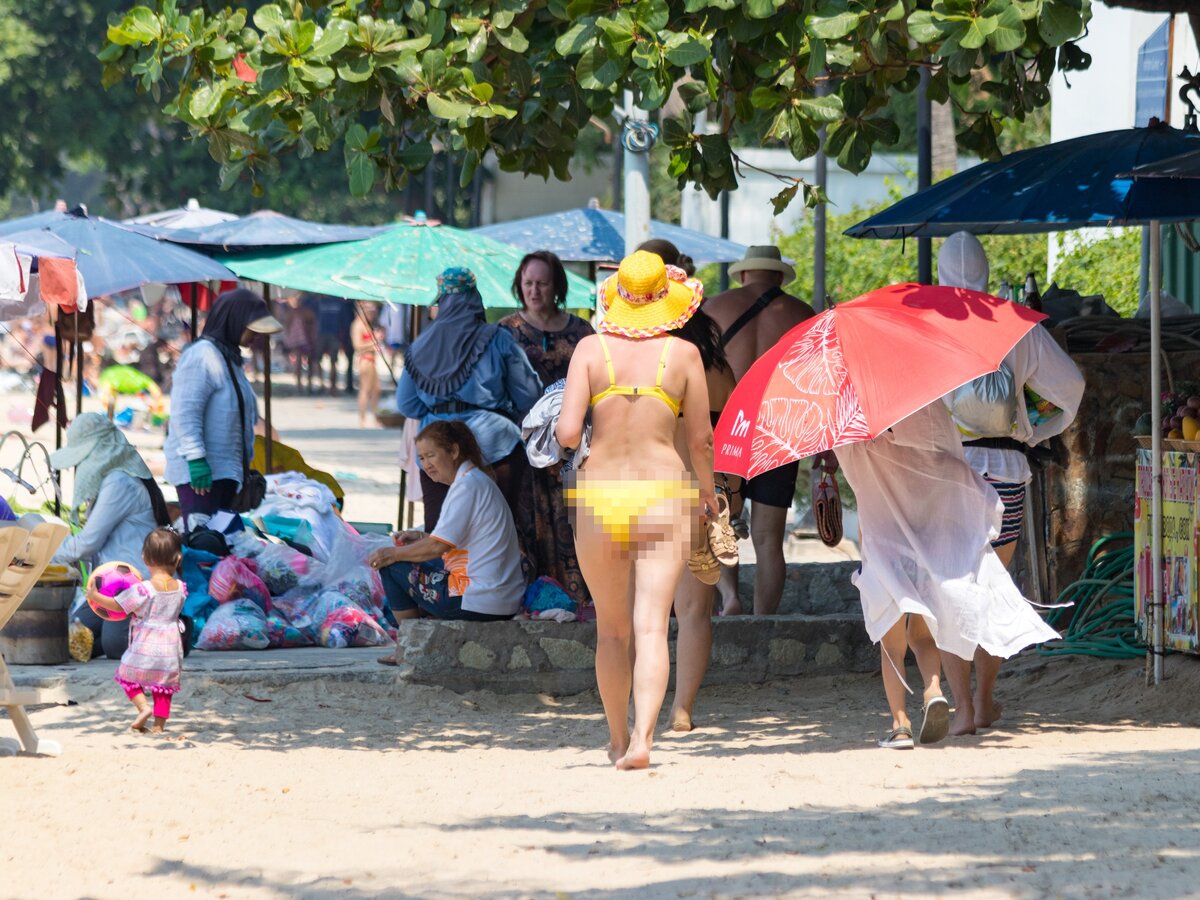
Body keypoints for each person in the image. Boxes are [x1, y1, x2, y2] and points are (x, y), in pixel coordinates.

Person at [556, 250, 716, 770]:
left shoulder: (588, 349)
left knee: (612, 629)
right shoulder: (684, 355)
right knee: (652, 626)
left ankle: (617, 738)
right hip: (664, 494)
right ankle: (647, 739)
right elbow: (701, 441)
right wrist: (711, 497)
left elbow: (565, 434)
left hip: (600, 496)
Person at [835, 400, 1059, 750]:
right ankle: (933, 690)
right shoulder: (920, 419)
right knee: (922, 635)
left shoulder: (850, 433)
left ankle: (899, 725)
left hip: (881, 550)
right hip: (923, 548)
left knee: (890, 647)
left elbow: (854, 482)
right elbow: (947, 463)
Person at [937, 231, 1085, 735]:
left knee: (951, 589)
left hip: (945, 474)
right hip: (1006, 473)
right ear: (985, 271)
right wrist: (1035, 430)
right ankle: (983, 702)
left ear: (939, 274)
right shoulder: (1016, 324)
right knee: (990, 588)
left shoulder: (926, 324)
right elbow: (1073, 389)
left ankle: (959, 710)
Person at [703, 245, 816, 615]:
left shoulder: (713, 309)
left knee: (723, 524)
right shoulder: (802, 315)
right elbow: (816, 383)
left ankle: (731, 598)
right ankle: (764, 620)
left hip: (725, 423)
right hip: (778, 427)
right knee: (769, 540)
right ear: (780, 276)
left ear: (744, 274)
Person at [395, 267, 542, 532]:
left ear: (441, 301)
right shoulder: (498, 339)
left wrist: (439, 409)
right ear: (476, 298)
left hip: (436, 450)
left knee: (440, 539)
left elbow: (407, 404)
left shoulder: (420, 345)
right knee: (497, 532)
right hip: (495, 445)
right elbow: (529, 395)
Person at [370, 420, 524, 647]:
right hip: (498, 597)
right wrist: (421, 538)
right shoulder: (474, 481)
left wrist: (392, 554)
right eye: (421, 458)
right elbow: (450, 539)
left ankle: (409, 646)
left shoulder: (467, 487)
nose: (426, 465)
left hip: (478, 600)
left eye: (431, 455)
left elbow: (437, 547)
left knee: (392, 567)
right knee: (413, 558)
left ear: (453, 451)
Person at [498, 251, 595, 606]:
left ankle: (582, 595)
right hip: (526, 447)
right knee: (528, 519)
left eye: (542, 283)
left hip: (575, 446)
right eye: (528, 284)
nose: (534, 291)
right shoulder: (506, 331)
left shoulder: (582, 331)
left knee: (576, 518)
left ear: (557, 286)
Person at [667, 307, 738, 733]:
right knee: (695, 612)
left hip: (651, 493)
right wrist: (733, 498)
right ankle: (682, 709)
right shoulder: (719, 373)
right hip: (704, 496)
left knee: (646, 612)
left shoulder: (651, 368)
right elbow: (728, 441)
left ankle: (643, 702)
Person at [163, 288, 282, 527]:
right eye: (252, 330)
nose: (255, 337)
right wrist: (196, 459)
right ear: (234, 322)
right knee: (204, 542)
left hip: (226, 473)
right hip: (201, 477)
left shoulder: (230, 358)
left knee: (223, 542)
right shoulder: (202, 356)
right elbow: (185, 413)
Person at [86, 528, 186, 734]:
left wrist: (95, 596)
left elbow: (118, 605)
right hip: (170, 647)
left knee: (126, 675)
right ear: (177, 558)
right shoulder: (181, 588)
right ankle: (159, 727)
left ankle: (143, 708)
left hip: (145, 645)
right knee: (164, 688)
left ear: (144, 557)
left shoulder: (144, 589)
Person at [350, 303, 383, 428]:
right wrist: (373, 343)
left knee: (376, 390)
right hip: (365, 360)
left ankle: (375, 416)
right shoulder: (357, 325)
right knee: (365, 389)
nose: (372, 315)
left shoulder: (368, 325)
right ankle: (362, 418)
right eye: (369, 312)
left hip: (372, 359)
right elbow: (357, 346)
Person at [280, 291, 318, 394]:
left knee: (309, 362)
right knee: (298, 364)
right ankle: (299, 386)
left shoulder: (306, 312)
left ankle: (308, 384)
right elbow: (287, 328)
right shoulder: (289, 314)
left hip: (306, 340)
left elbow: (313, 324)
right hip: (296, 341)